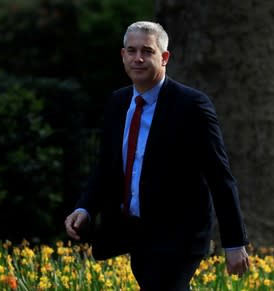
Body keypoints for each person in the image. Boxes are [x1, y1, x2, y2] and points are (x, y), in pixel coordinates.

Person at [65, 20, 250, 290]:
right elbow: (106, 166)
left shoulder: (192, 105)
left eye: (147, 51)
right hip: (136, 233)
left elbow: (219, 176)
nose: (138, 58)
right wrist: (85, 208)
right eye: (132, 51)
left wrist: (234, 242)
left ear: (164, 58)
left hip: (180, 235)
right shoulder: (118, 103)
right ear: (123, 55)